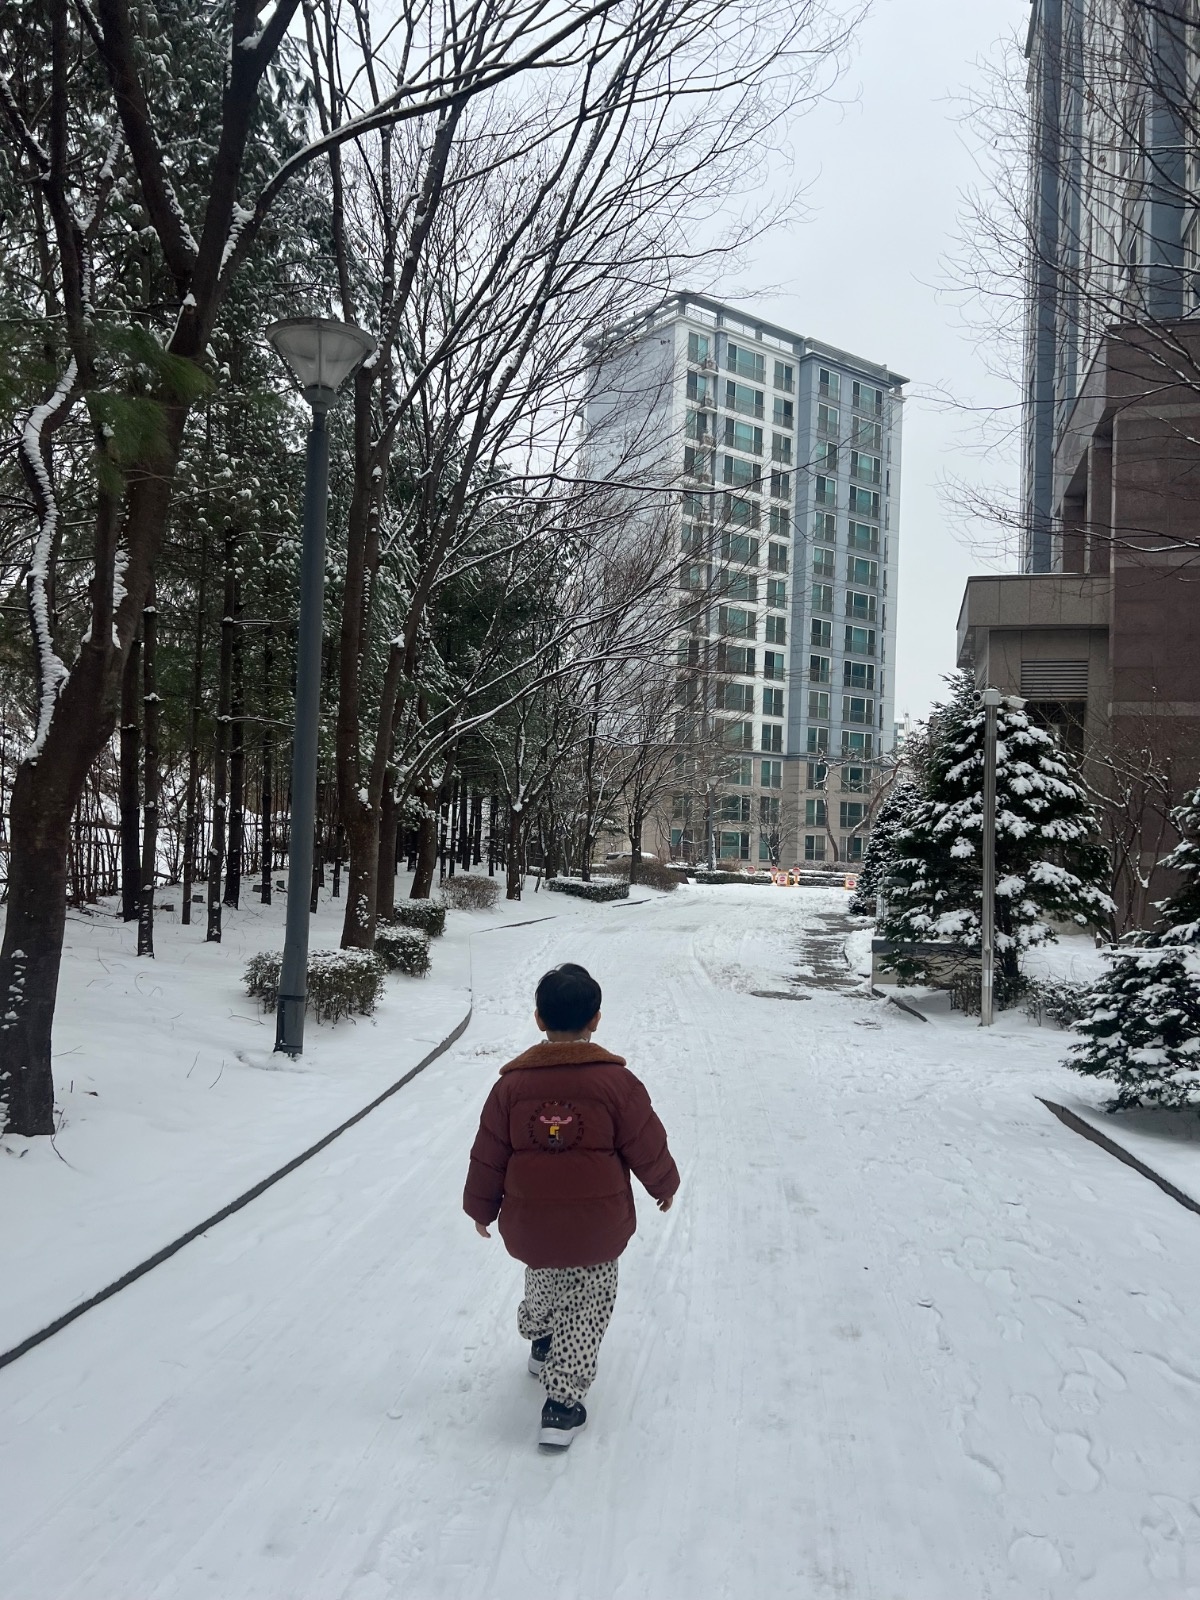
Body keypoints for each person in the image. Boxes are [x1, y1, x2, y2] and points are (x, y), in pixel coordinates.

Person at [463, 962, 680, 1449]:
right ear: (597, 1020)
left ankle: (539, 1335)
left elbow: (489, 1150)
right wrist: (662, 1183)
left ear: (539, 1019)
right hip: (597, 1230)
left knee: (544, 1280)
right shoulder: (615, 1084)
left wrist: (481, 1208)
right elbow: (646, 1142)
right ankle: (562, 1406)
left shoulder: (511, 1088)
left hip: (532, 1227)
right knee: (586, 1310)